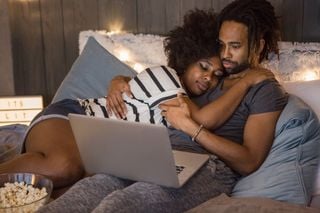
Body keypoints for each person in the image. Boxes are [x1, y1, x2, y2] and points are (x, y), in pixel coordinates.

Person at [38, 2, 288, 212]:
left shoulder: (264, 89)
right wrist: (120, 80)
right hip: (156, 154)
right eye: (221, 45)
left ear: (259, 45)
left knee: (121, 204)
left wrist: (194, 129)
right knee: (88, 191)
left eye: (235, 46)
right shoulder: (213, 75)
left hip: (209, 166)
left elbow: (249, 162)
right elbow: (161, 84)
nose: (225, 54)